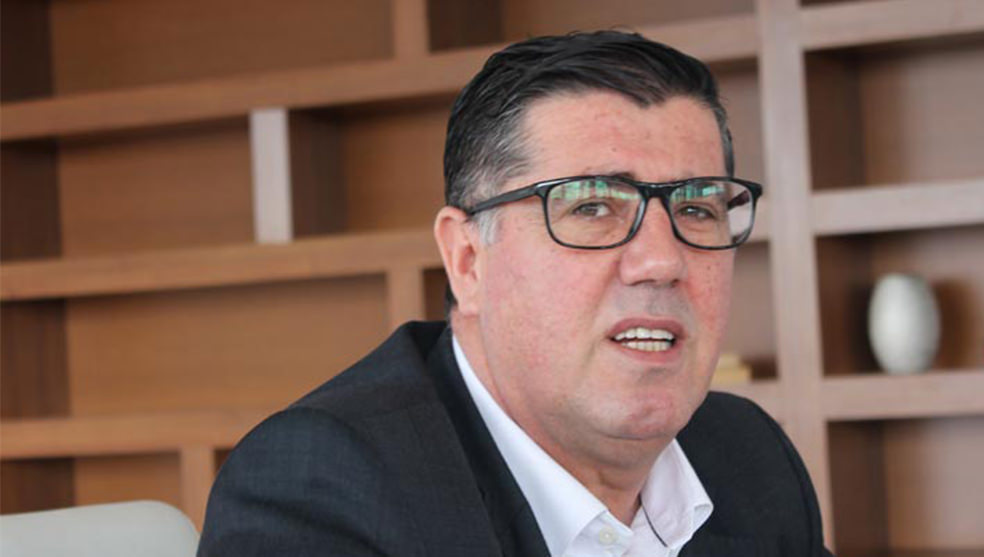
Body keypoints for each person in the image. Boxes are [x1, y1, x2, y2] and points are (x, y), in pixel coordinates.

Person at [198, 30, 834, 557]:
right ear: (468, 261)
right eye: (592, 207)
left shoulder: (746, 454)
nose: (662, 261)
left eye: (696, 209)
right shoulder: (322, 485)